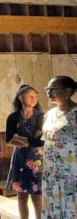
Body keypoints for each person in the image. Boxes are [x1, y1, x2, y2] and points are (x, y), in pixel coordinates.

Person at [5, 85, 44, 219]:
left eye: (35, 96)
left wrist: (20, 139)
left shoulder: (41, 116)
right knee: (21, 197)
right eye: (30, 95)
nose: (34, 98)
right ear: (20, 97)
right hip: (19, 158)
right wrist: (30, 139)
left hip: (37, 159)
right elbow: (9, 139)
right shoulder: (13, 117)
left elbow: (40, 141)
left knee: (37, 197)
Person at [41, 76, 76, 219]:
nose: (49, 92)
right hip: (51, 171)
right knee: (53, 205)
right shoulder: (49, 114)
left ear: (67, 91)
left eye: (53, 89)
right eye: (47, 89)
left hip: (71, 171)